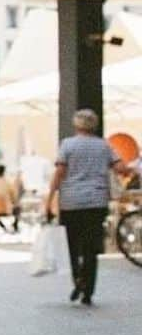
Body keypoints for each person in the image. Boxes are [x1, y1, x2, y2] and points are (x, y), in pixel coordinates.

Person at [44, 108, 128, 305]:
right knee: (91, 247)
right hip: (96, 202)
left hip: (71, 203)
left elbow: (59, 173)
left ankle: (78, 280)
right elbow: (120, 168)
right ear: (94, 125)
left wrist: (49, 199)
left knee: (73, 245)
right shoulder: (104, 146)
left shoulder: (67, 145)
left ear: (76, 124)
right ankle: (88, 290)